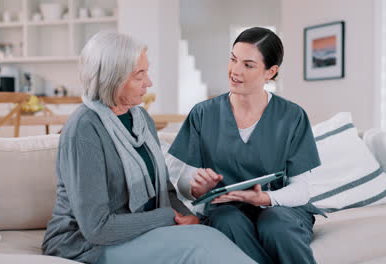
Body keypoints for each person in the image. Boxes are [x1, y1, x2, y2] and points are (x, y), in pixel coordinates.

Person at [41, 31, 255, 264]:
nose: (149, 82)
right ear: (112, 78)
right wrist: (166, 216)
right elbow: (97, 228)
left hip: (138, 231)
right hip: (83, 244)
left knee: (209, 235)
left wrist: (187, 217)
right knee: (198, 247)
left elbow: (164, 190)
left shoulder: (140, 118)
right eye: (139, 74)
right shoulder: (84, 129)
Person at [168, 27, 326, 264]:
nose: (235, 71)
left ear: (270, 72)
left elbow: (302, 189)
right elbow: (183, 182)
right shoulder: (203, 114)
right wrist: (197, 186)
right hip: (226, 210)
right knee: (227, 221)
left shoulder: (292, 116)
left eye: (248, 65)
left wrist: (264, 200)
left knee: (275, 223)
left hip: (280, 209)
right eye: (233, 59)